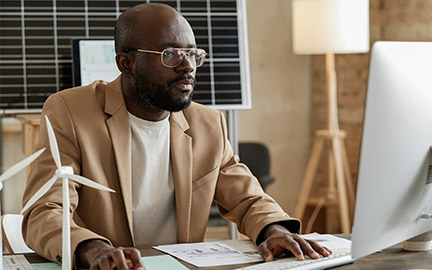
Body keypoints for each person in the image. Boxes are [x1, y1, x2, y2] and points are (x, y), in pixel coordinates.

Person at [22, 3, 331, 269]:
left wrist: (274, 230)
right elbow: (44, 211)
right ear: (125, 63)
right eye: (169, 54)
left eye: (192, 54)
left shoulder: (207, 123)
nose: (187, 67)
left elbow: (248, 200)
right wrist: (93, 249)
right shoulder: (71, 111)